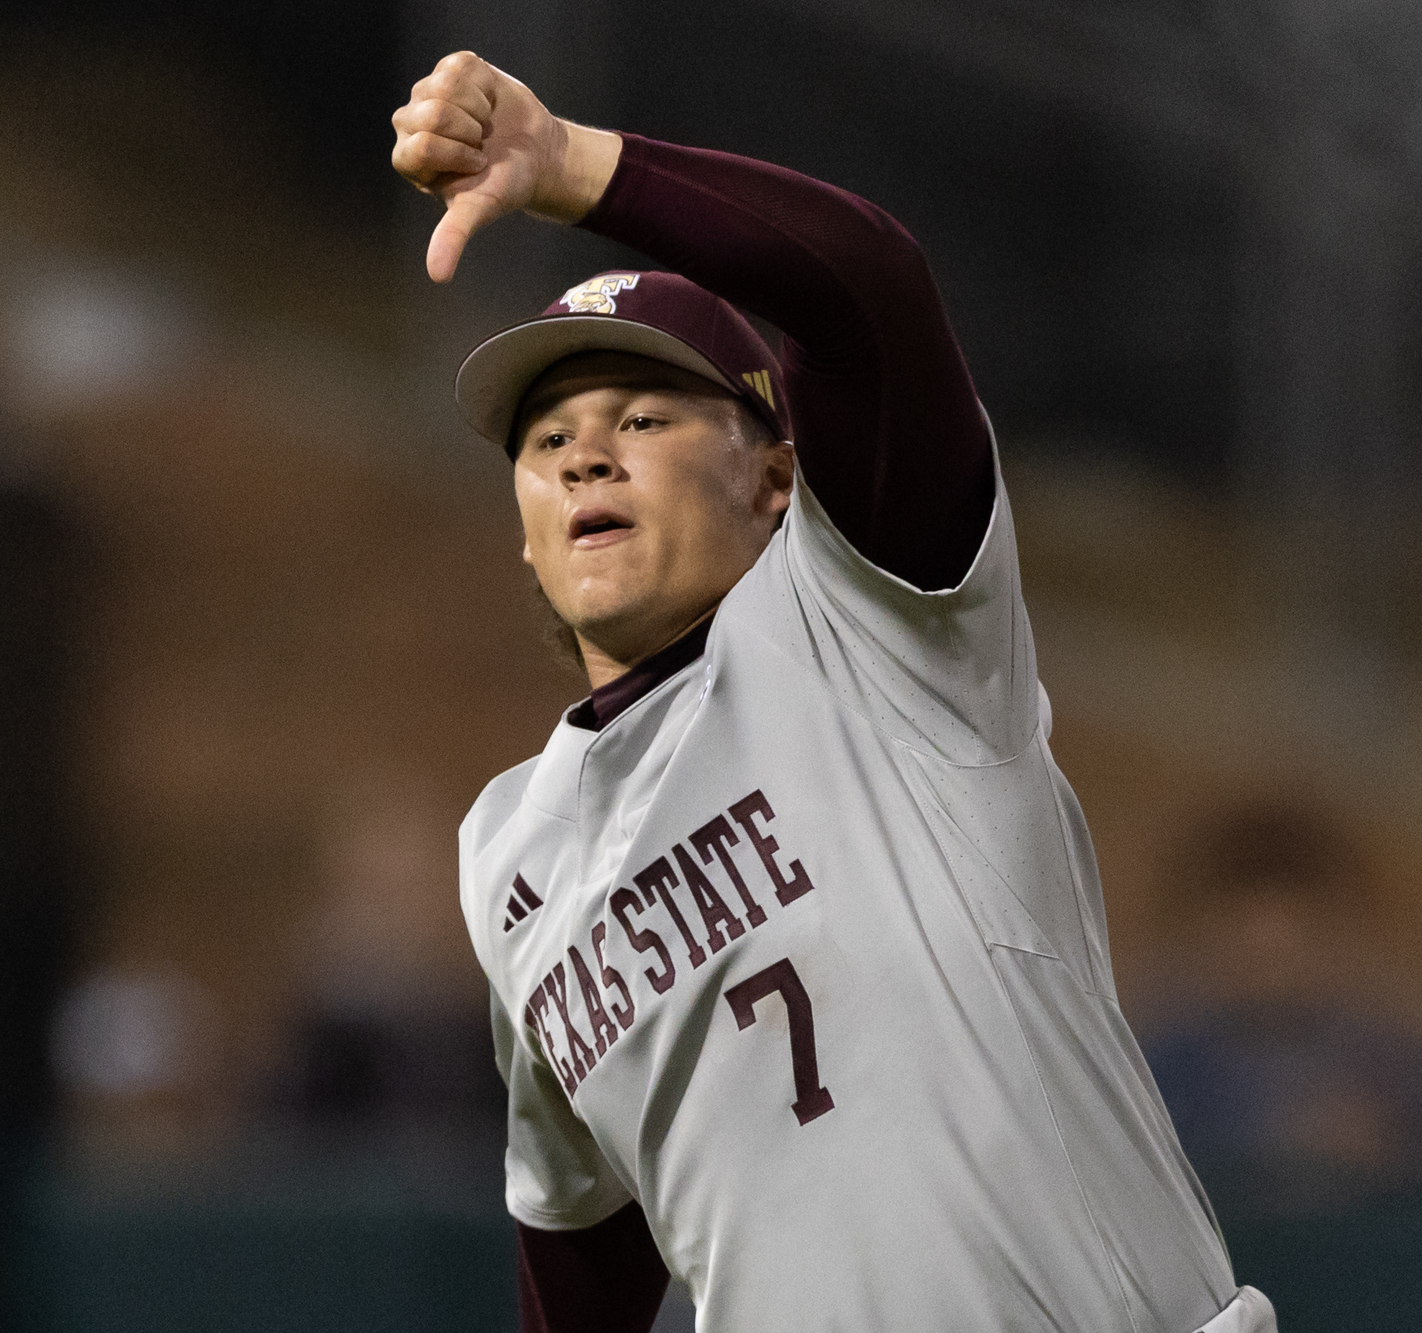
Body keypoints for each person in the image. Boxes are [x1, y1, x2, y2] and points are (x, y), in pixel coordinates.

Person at [390, 52, 1275, 1333]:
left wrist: (573, 165)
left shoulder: (878, 619)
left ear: (771, 476)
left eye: (644, 417)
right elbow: (577, 1240)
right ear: (526, 532)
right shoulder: (508, 853)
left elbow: (866, 291)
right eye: (546, 437)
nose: (585, 446)